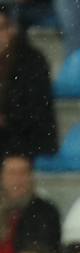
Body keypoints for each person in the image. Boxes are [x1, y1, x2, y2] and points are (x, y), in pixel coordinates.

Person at [0, 8, 57, 159]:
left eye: (2, 29)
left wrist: (7, 119)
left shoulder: (32, 61)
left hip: (27, 138)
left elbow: (36, 112)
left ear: (12, 29)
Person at [0, 153, 61, 253]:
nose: (17, 180)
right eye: (12, 173)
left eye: (23, 173)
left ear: (31, 177)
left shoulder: (45, 212)